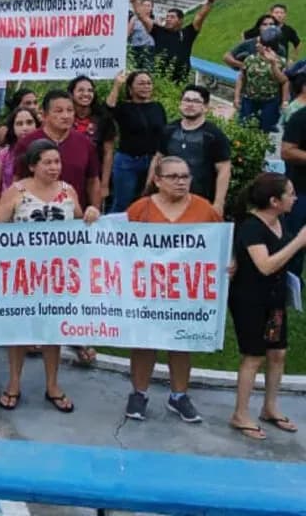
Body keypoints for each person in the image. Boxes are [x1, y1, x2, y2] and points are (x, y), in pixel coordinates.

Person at [0, 139, 99, 414]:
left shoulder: (68, 191)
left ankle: (52, 385)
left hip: (58, 275)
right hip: (23, 273)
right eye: (47, 162)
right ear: (34, 164)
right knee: (19, 330)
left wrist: (92, 214)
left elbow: (82, 224)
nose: (54, 167)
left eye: (57, 162)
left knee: (53, 330)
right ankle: (13, 383)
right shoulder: (16, 191)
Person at [123, 156, 219, 424]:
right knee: (144, 342)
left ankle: (179, 396)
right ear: (157, 180)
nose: (180, 182)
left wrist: (228, 263)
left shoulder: (204, 209)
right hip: (147, 290)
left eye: (185, 176)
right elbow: (118, 246)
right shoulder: (140, 210)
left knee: (181, 343)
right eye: (173, 177)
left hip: (185, 293)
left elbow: (218, 245)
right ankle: (139, 393)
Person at [228, 173, 304, 440]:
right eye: (290, 194)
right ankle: (240, 413)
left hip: (275, 300)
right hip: (250, 300)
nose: (294, 198)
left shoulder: (279, 222)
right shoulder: (252, 227)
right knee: (253, 356)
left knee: (277, 353)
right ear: (274, 200)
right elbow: (266, 265)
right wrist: (299, 242)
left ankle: (270, 407)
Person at [151, 84, 231, 216]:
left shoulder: (213, 135)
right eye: (186, 100)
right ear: (180, 104)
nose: (190, 104)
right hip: (167, 199)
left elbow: (224, 169)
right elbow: (158, 159)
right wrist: (149, 187)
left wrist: (218, 203)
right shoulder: (168, 130)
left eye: (195, 101)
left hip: (200, 201)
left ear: (205, 107)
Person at [106, 71, 167, 213]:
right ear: (130, 88)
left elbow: (164, 133)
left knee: (150, 203)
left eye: (148, 83)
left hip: (153, 162)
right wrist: (117, 86)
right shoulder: (124, 107)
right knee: (123, 203)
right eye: (141, 83)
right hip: (128, 162)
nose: (146, 86)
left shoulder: (157, 107)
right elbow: (108, 109)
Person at [234, 27, 288, 132]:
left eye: (260, 43)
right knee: (245, 127)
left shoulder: (280, 61)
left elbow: (283, 81)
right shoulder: (250, 59)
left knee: (266, 129)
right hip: (249, 100)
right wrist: (237, 97)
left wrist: (284, 101)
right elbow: (241, 78)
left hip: (270, 101)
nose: (257, 44)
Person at [0, 107, 40, 201]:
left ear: (36, 125)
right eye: (19, 124)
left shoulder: (46, 151)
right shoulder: (2, 154)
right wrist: (1, 212)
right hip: (8, 206)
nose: (25, 128)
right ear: (12, 128)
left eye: (29, 122)